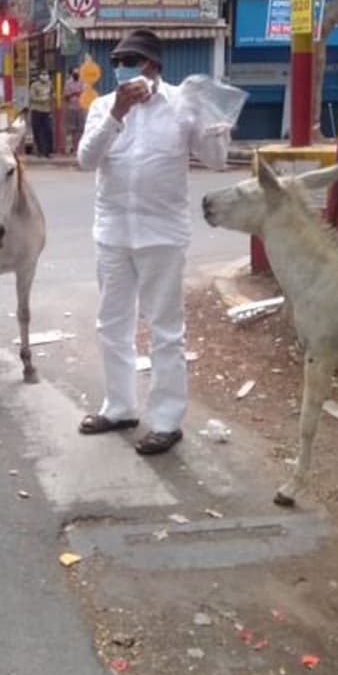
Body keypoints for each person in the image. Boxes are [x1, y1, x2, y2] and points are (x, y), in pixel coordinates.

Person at [76, 29, 232, 455]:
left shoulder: (183, 104)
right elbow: (85, 159)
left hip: (162, 236)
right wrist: (117, 115)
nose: (123, 68)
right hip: (112, 233)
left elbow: (217, 161)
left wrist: (214, 126)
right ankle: (120, 407)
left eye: (133, 61)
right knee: (112, 325)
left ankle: (166, 420)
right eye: (119, 61)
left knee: (165, 331)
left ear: (153, 67)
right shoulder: (105, 107)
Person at [29, 70, 54, 157]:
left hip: (46, 111)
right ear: (39, 76)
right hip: (36, 110)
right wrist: (42, 99)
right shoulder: (34, 85)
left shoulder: (50, 84)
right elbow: (32, 97)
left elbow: (52, 95)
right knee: (37, 131)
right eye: (43, 74)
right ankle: (39, 151)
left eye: (46, 74)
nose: (45, 76)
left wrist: (51, 105)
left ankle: (47, 152)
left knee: (48, 130)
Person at [63, 68, 85, 156]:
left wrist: (79, 93)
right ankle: (72, 147)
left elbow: (86, 93)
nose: (76, 74)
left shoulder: (83, 82)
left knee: (80, 129)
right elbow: (65, 96)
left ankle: (79, 148)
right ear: (72, 74)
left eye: (78, 73)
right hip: (71, 108)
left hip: (81, 107)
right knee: (71, 129)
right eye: (74, 73)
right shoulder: (68, 83)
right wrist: (73, 93)